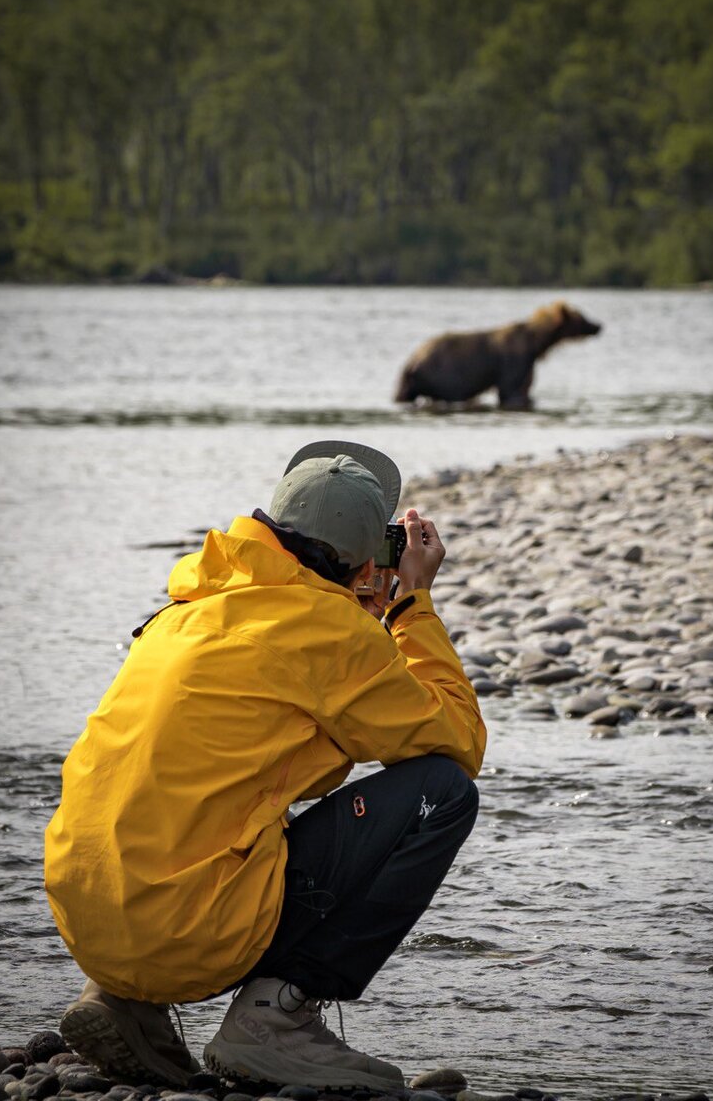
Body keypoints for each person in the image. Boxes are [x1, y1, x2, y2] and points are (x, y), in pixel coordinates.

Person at [44, 439, 486, 1092]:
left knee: (191, 791)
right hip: (192, 937)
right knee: (441, 793)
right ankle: (274, 1022)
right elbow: (458, 743)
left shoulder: (186, 611)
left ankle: (121, 995)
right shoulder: (331, 634)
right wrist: (410, 604)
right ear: (367, 561)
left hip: (88, 917)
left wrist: (353, 607)